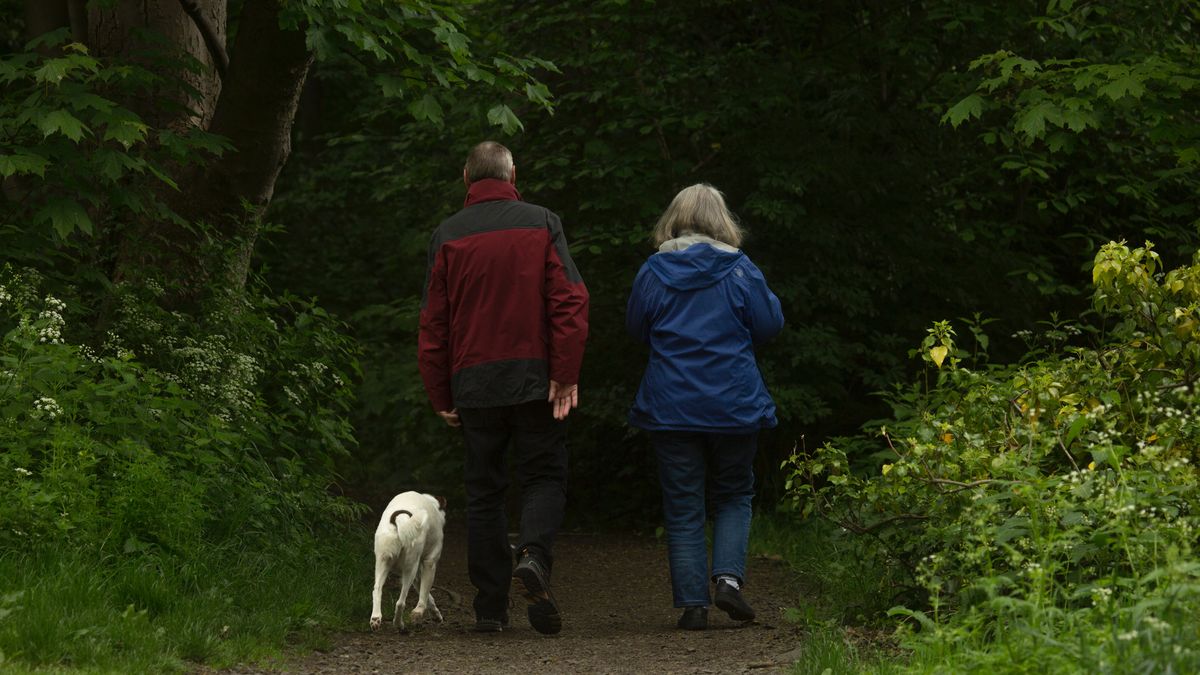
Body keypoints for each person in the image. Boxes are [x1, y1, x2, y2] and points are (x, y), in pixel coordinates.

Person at [418, 141, 589, 635]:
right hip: (536, 376)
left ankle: (490, 607)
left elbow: (434, 323)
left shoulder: (447, 234)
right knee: (544, 476)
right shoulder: (542, 222)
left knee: (484, 491)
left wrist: (439, 393)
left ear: (464, 176)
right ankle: (533, 556)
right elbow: (570, 302)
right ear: (514, 172)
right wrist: (566, 372)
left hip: (474, 382)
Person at [626, 183, 784, 631]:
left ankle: (693, 605)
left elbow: (637, 328)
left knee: (682, 504)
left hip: (671, 404)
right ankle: (729, 582)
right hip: (733, 401)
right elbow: (770, 325)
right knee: (734, 493)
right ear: (722, 221)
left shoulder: (653, 271)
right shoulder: (741, 269)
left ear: (674, 220)